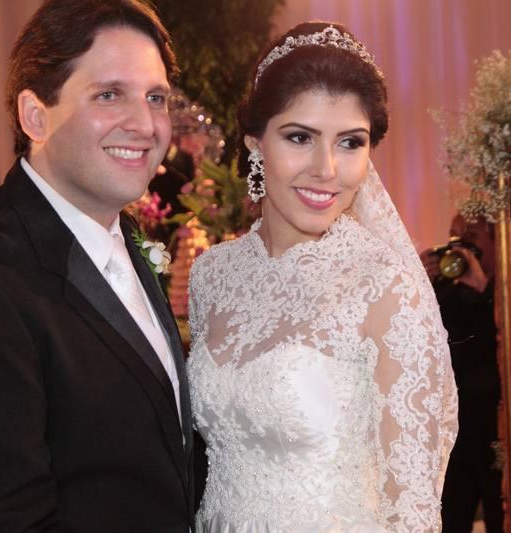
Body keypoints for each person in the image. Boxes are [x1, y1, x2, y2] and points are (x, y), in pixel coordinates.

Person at [0, 1, 198, 531]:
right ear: (35, 116)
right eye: (109, 94)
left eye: (155, 98)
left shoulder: (123, 236)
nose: (146, 124)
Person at [186, 22, 459, 532]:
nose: (327, 168)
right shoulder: (211, 274)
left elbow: (413, 512)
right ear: (255, 143)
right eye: (300, 137)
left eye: (350, 142)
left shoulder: (386, 289)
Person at [420, 214, 503, 532]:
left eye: (471, 238)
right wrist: (419, 282)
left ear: (497, 242)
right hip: (454, 428)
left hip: (496, 428)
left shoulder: (507, 293)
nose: (460, 247)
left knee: (500, 512)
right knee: (452, 517)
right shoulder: (444, 290)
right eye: (454, 238)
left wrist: (484, 289)